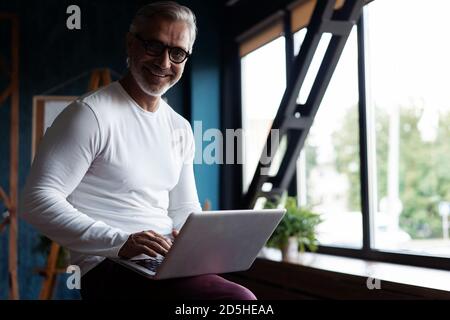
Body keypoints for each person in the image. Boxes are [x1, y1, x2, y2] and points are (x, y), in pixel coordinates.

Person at [20, 1, 256, 300]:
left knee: (237, 296)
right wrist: (121, 242)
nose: (164, 63)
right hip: (108, 265)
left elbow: (183, 209)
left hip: (163, 262)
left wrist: (198, 243)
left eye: (177, 53)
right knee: (238, 301)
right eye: (154, 46)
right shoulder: (89, 115)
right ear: (131, 44)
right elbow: (37, 201)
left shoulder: (179, 128)